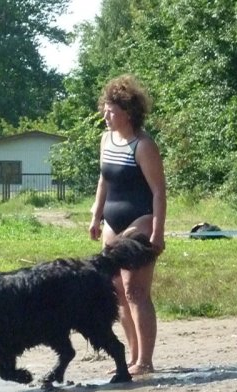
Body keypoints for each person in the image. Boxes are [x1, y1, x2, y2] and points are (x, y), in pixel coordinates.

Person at [88, 74, 166, 376]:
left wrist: (157, 232)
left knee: (136, 291)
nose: (105, 115)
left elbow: (159, 191)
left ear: (128, 112)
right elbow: (103, 179)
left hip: (141, 220)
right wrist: (96, 214)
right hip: (111, 221)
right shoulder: (106, 139)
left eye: (111, 110)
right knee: (117, 292)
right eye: (104, 109)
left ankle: (145, 360)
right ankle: (130, 357)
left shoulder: (144, 145)